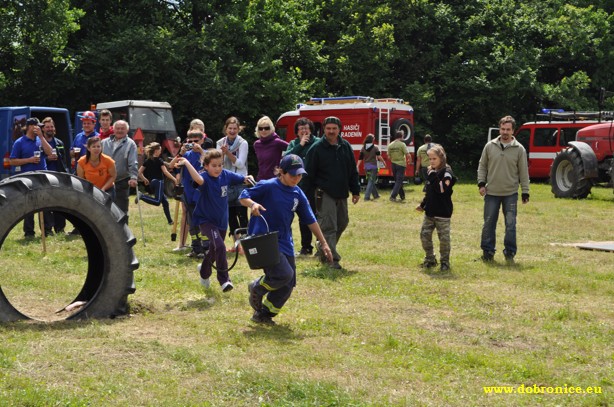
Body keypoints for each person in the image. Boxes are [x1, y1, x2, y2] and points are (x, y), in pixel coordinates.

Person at [240, 154, 333, 324]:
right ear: (281, 172)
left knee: (288, 284)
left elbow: (310, 219)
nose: (296, 178)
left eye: (299, 175)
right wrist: (252, 204)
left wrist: (324, 243)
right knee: (284, 274)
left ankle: (264, 314)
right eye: (292, 175)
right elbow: (243, 196)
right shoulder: (267, 186)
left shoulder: (297, 193)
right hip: (263, 239)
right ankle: (257, 287)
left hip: (284, 241)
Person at [178, 149, 253, 292]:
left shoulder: (226, 175)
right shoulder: (204, 177)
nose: (218, 168)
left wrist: (247, 178)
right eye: (214, 165)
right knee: (219, 246)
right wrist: (187, 163)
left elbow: (241, 178)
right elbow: (198, 180)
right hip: (206, 221)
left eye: (220, 165)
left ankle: (204, 271)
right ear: (206, 166)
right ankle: (224, 280)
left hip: (222, 222)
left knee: (214, 250)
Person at [303, 116, 360, 270]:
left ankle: (322, 247)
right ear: (324, 129)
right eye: (328, 128)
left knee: (342, 222)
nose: (331, 131)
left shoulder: (345, 146)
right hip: (323, 192)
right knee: (329, 226)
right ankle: (331, 259)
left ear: (339, 129)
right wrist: (304, 196)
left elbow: (352, 170)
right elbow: (308, 173)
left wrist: (356, 190)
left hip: (341, 192)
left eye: (334, 128)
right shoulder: (316, 148)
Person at [477, 115, 530, 263]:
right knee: (488, 223)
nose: (505, 132)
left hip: (510, 193)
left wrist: (525, 191)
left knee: (511, 225)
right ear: (499, 129)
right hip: (491, 192)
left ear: (513, 131)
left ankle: (510, 253)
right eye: (502, 129)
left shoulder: (519, 149)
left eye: (508, 129)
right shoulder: (489, 146)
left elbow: (523, 172)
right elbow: (482, 166)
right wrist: (481, 184)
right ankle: (487, 252)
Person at [9, 117, 54, 238]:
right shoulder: (19, 142)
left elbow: (50, 153)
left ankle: (47, 230)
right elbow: (12, 161)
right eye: (37, 126)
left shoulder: (40, 139)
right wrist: (29, 160)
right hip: (27, 177)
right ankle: (29, 232)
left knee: (45, 204)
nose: (39, 128)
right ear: (29, 127)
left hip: (42, 175)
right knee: (29, 205)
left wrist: (41, 137)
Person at [416, 144, 456, 271]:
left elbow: (441, 189)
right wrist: (423, 204)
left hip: (443, 213)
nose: (431, 161)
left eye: (434, 159)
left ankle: (445, 262)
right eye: (430, 159)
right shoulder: (430, 171)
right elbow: (430, 191)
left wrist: (432, 174)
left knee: (444, 240)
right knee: (424, 235)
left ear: (442, 158)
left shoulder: (447, 173)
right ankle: (430, 259)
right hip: (430, 212)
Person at [170, 129, 208, 257]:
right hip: (188, 193)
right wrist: (180, 153)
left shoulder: (207, 154)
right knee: (191, 222)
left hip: (201, 193)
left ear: (202, 140)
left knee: (202, 221)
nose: (193, 144)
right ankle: (195, 247)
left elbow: (209, 165)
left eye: (196, 141)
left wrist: (201, 151)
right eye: (190, 142)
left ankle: (205, 247)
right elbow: (171, 165)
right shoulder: (186, 155)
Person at [284, 117, 318, 256]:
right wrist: (301, 145)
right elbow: (286, 157)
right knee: (302, 216)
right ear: (297, 132)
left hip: (314, 185)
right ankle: (306, 246)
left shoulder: (317, 142)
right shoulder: (294, 143)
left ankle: (321, 245)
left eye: (306, 128)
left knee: (316, 215)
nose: (304, 131)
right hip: (298, 185)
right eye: (301, 129)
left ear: (311, 130)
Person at [216, 116, 249, 246]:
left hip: (240, 181)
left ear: (238, 129)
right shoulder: (220, 143)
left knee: (242, 212)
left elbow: (240, 164)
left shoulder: (243, 143)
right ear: (226, 129)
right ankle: (236, 243)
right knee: (230, 214)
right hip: (226, 182)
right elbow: (219, 164)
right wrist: (223, 154)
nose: (232, 131)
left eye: (235, 128)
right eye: (230, 128)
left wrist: (228, 153)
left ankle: (246, 242)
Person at [101, 120, 138, 219]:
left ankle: (123, 234)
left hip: (122, 181)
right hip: (105, 181)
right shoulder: (104, 142)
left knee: (121, 211)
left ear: (127, 130)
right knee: (104, 209)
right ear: (113, 129)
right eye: (117, 128)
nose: (120, 130)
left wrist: (134, 177)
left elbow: (133, 162)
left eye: (122, 128)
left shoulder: (131, 144)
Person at [136, 142, 177, 225]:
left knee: (165, 202)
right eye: (160, 150)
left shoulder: (147, 160)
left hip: (152, 183)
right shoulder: (159, 160)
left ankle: (170, 221)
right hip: (159, 182)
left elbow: (139, 172)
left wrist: (145, 179)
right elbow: (165, 172)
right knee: (157, 201)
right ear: (156, 151)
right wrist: (174, 179)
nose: (160, 152)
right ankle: (141, 196)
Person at [42, 117, 68, 233]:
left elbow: (64, 160)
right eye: (47, 127)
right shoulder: (39, 143)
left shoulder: (59, 142)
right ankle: (47, 230)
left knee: (60, 203)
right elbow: (38, 158)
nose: (50, 129)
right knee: (46, 205)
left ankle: (60, 228)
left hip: (59, 176)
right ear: (43, 129)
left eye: (52, 126)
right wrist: (47, 159)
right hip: (45, 177)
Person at [253, 116, 289, 181]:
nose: (263, 130)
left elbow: (292, 149)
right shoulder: (257, 144)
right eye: (261, 128)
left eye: (266, 128)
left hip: (275, 180)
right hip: (261, 180)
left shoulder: (277, 142)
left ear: (271, 129)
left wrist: (283, 167)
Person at [356, 133, 385, 201]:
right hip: (373, 167)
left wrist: (357, 166)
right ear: (372, 140)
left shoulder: (363, 148)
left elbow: (360, 158)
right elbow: (378, 156)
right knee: (371, 181)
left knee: (370, 181)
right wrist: (383, 162)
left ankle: (376, 195)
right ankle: (366, 197)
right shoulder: (375, 147)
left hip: (366, 167)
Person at [388, 130, 410, 202]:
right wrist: (409, 160)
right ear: (402, 136)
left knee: (397, 181)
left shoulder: (390, 145)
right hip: (401, 164)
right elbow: (407, 154)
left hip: (393, 164)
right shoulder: (402, 144)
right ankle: (392, 196)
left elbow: (388, 156)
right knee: (399, 181)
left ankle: (402, 196)